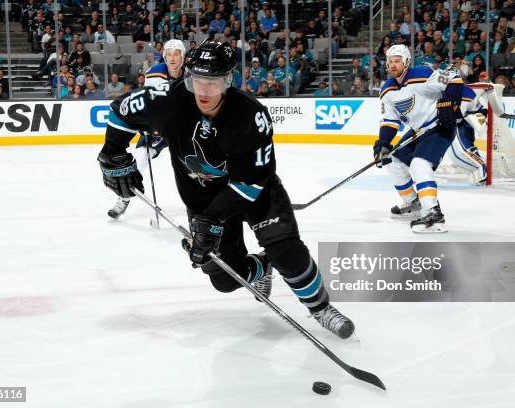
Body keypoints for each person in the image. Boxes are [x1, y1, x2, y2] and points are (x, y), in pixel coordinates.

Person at [97, 40, 355, 339]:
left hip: (253, 193)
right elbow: (121, 111)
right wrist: (112, 153)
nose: (204, 91)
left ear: (228, 80)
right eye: (197, 82)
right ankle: (263, 266)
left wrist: (212, 220)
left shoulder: (250, 116)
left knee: (286, 249)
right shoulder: (165, 100)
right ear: (188, 78)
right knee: (225, 279)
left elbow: (253, 181)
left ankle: (320, 307)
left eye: (214, 82)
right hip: (203, 200)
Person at [373, 45, 464, 233]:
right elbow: (390, 121)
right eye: (390, 61)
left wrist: (450, 104)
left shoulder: (422, 73)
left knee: (419, 164)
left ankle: (433, 213)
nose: (392, 64)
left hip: (439, 127)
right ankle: (414, 203)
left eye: (397, 60)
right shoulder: (387, 89)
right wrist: (383, 145)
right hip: (418, 131)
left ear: (406, 62)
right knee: (392, 160)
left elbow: (454, 78)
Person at [107, 39, 187, 220]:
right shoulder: (156, 72)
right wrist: (153, 125)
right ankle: (124, 197)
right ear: (164, 56)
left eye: (176, 54)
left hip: (182, 129)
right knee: (139, 161)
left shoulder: (190, 75)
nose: (172, 58)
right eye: (169, 54)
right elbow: (152, 104)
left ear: (183, 56)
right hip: (158, 129)